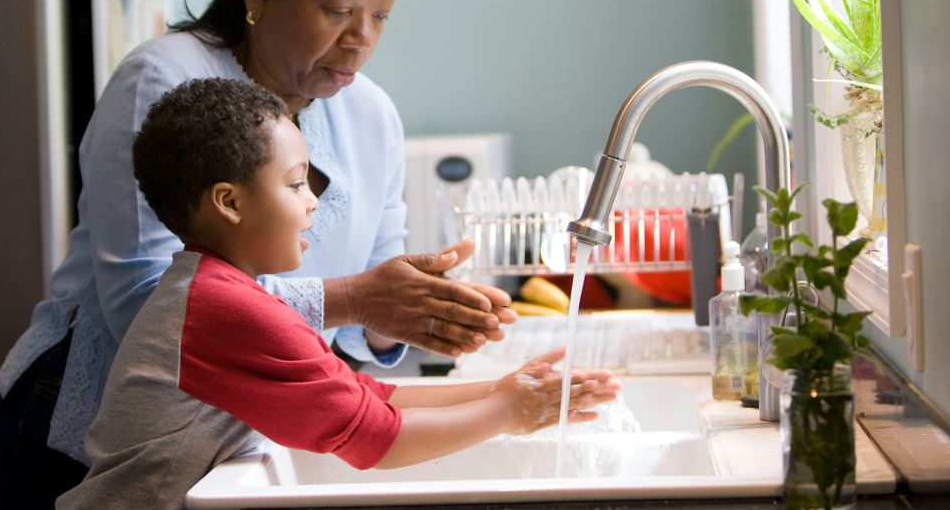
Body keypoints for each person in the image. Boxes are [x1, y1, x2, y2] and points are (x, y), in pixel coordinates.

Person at [0, 0, 518, 507]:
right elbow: (147, 305)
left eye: (380, 15)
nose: (362, 39)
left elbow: (358, 327)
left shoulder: (372, 115)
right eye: (339, 10)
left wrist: (412, 312)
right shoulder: (165, 79)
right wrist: (353, 298)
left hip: (233, 440)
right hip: (87, 435)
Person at [55, 78, 620, 508]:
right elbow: (378, 438)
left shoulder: (220, 291)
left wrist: (497, 390)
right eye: (297, 182)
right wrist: (508, 412)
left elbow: (365, 393)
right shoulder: (221, 308)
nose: (313, 202)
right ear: (228, 202)